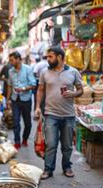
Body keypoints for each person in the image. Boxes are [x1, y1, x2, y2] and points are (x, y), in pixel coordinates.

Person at [35, 46, 83, 180]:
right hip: (50, 114)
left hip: (68, 115)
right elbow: (40, 90)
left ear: (60, 57)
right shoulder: (44, 72)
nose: (48, 59)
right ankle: (48, 169)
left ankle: (67, 167)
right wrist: (37, 106)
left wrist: (74, 93)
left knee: (67, 145)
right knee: (51, 144)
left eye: (50, 56)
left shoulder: (73, 72)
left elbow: (80, 90)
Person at [7, 51, 36, 149]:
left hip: (26, 99)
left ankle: (25, 138)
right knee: (15, 122)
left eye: (12, 60)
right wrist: (8, 100)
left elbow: (33, 84)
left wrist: (23, 89)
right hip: (15, 99)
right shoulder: (10, 71)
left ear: (18, 59)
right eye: (10, 60)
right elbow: (9, 86)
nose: (10, 62)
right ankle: (17, 141)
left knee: (28, 123)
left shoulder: (28, 69)